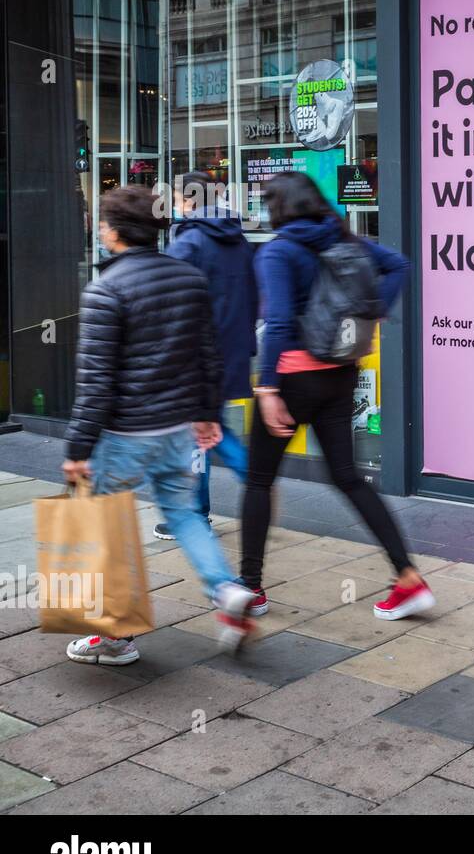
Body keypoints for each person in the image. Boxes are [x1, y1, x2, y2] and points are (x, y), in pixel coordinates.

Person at [61, 185, 258, 663]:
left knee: (105, 527)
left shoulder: (104, 290)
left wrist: (77, 448)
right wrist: (208, 415)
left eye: (104, 224)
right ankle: (227, 590)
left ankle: (114, 637)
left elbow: (96, 382)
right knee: (185, 514)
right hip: (176, 429)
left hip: (125, 433)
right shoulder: (188, 278)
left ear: (115, 233)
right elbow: (208, 357)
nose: (101, 231)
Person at [240, 172, 434, 619]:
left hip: (291, 379)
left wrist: (268, 388)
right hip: (340, 375)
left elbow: (282, 323)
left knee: (258, 480)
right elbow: (399, 265)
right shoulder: (346, 240)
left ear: (278, 208)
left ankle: (250, 586)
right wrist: (374, 308)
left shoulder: (279, 251)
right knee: (347, 477)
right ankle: (407, 576)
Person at [152, 171, 256, 548]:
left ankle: (205, 510)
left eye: (176, 197)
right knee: (205, 431)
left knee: (202, 432)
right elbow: (253, 295)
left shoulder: (189, 241)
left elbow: (168, 303)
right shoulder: (238, 239)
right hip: (232, 352)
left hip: (195, 357)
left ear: (188, 199)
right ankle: (203, 510)